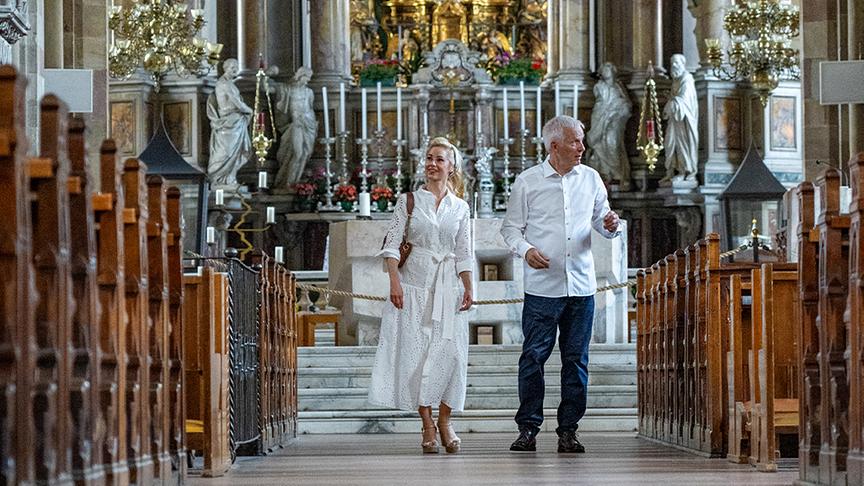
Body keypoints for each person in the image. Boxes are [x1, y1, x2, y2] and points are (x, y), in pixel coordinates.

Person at [500, 115, 621, 453]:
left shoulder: (592, 178)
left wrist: (611, 224)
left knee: (577, 361)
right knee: (533, 358)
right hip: (542, 288)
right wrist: (526, 251)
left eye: (581, 140)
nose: (582, 147)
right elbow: (510, 230)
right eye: (574, 141)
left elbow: (603, 221)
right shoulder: (528, 182)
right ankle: (528, 429)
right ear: (554, 146)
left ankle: (568, 430)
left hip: (581, 288)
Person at [368, 136, 474, 454]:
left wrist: (469, 286)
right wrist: (394, 282)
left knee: (451, 357)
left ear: (451, 166)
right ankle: (427, 423)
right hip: (413, 288)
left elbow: (464, 251)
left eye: (439, 159)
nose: (432, 163)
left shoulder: (461, 207)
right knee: (416, 356)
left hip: (447, 289)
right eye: (428, 158)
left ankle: (445, 420)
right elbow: (391, 243)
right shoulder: (409, 201)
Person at [206, 58, 252, 186]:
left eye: (236, 67)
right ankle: (217, 176)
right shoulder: (224, 84)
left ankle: (229, 178)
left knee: (234, 152)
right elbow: (236, 103)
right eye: (232, 67)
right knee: (226, 152)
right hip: (228, 121)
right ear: (225, 68)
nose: (235, 69)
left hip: (234, 120)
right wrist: (250, 111)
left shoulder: (230, 83)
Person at [586, 62, 632, 189]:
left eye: (608, 70)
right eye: (604, 70)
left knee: (612, 143)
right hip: (600, 117)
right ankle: (605, 173)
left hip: (615, 119)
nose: (606, 72)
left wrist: (617, 110)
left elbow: (627, 104)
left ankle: (617, 174)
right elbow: (601, 103)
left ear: (612, 72)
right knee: (599, 144)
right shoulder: (599, 86)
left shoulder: (618, 87)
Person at [272, 66, 317, 189]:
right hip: (295, 125)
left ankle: (294, 182)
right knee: (297, 153)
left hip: (308, 125)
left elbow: (310, 109)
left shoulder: (309, 92)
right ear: (300, 76)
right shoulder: (287, 90)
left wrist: (309, 120)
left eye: (309, 78)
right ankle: (286, 181)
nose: (307, 80)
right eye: (306, 77)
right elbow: (267, 88)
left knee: (305, 154)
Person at [662, 53, 698, 183]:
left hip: (684, 120)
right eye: (672, 63)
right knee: (670, 143)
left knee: (683, 144)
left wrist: (673, 102)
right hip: (675, 119)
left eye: (677, 63)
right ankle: (671, 170)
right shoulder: (676, 81)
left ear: (683, 64)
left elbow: (685, 100)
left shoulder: (687, 79)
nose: (674, 66)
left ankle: (686, 171)